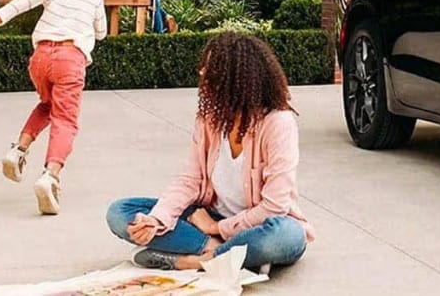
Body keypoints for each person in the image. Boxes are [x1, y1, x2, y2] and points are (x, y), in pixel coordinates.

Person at [106, 33, 314, 272]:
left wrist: (217, 229)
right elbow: (190, 180)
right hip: (208, 219)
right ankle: (230, 254)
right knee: (120, 213)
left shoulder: (278, 123)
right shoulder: (210, 120)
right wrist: (156, 220)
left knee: (285, 235)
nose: (203, 74)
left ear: (239, 79)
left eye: (212, 70)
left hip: (260, 226)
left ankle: (198, 260)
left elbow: (275, 206)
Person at [0, 0, 109, 215]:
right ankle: (50, 176)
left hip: (41, 57)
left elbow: (24, 2)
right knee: (66, 120)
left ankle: (18, 149)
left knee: (48, 104)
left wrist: (1, 16)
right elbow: (102, 31)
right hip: (71, 58)